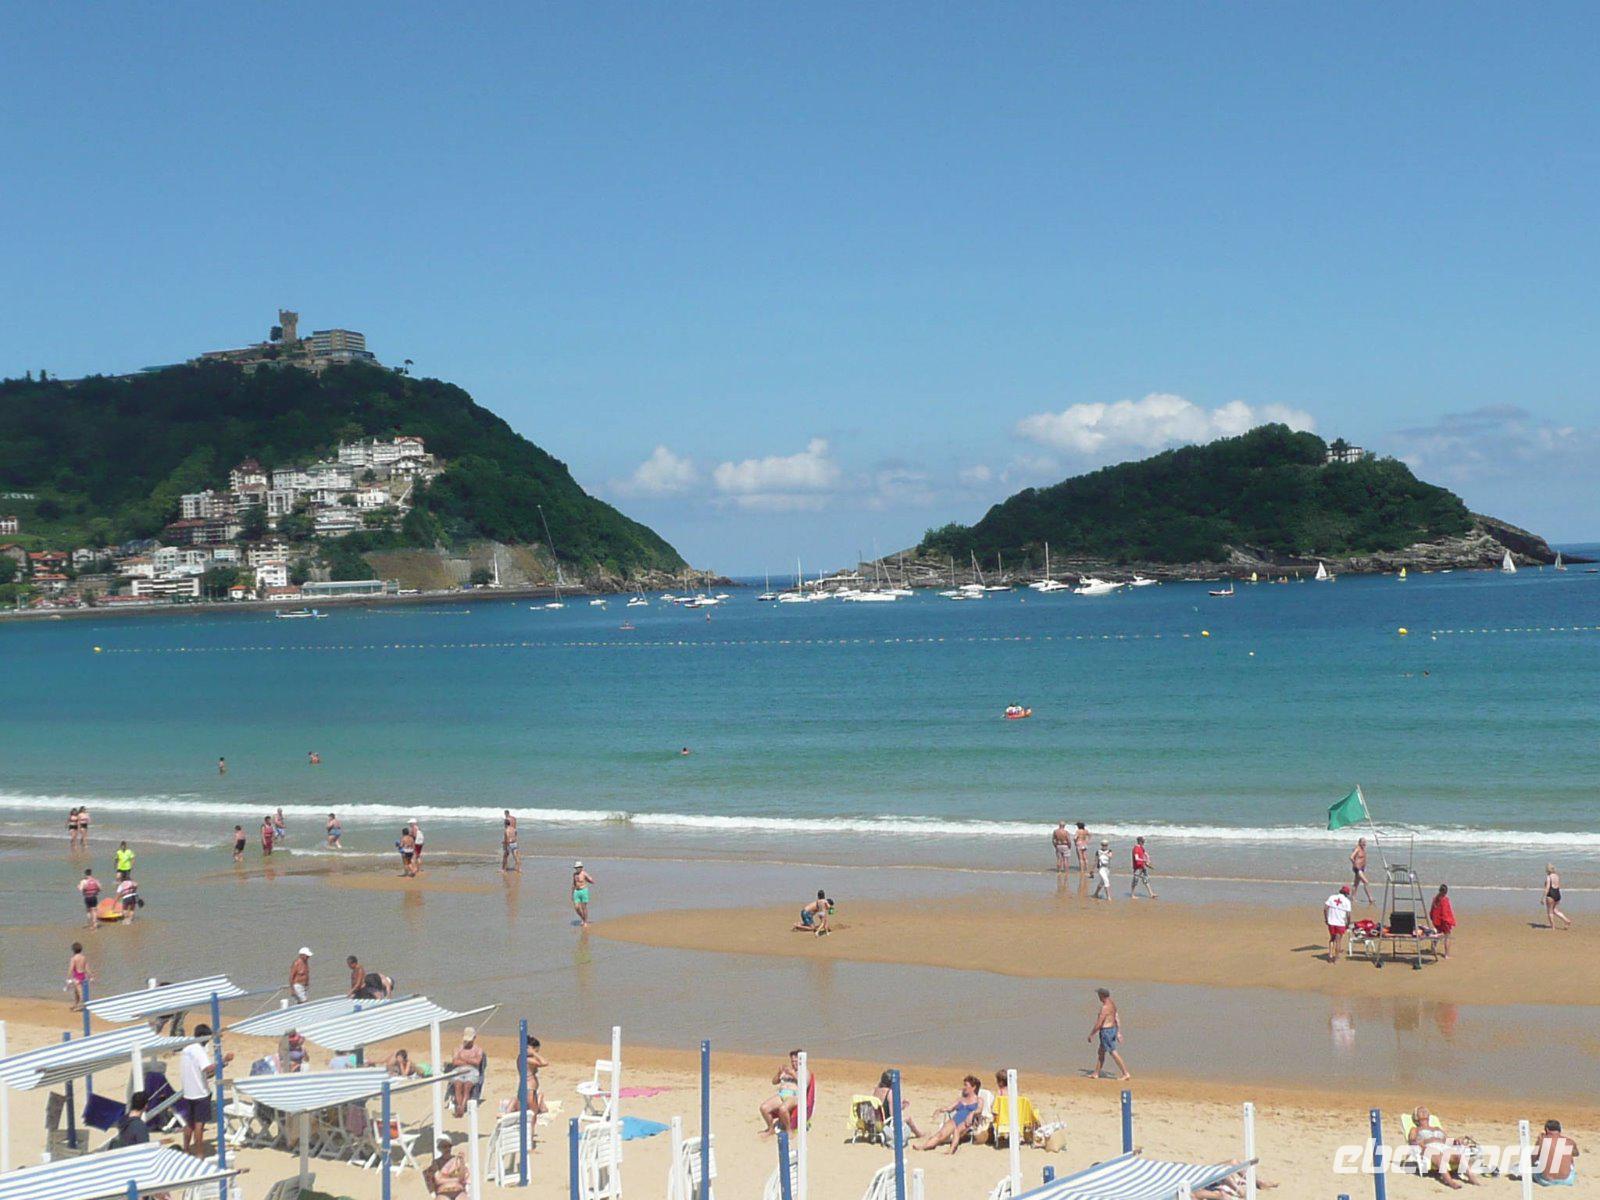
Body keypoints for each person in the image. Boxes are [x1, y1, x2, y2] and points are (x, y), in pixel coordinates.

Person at [178, 1024, 232, 1156]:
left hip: (188, 1093)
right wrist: (224, 1061)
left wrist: (221, 1065)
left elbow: (205, 1073)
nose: (208, 1041)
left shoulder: (186, 1049)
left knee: (188, 1124)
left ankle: (186, 1149)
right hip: (200, 1093)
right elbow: (208, 1069)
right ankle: (199, 1154)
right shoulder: (199, 1051)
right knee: (199, 1125)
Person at [1406, 1105, 1484, 1188]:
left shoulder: (1437, 1128)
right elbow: (1412, 1140)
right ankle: (1450, 1181)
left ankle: (1471, 1176)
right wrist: (1421, 1145)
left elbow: (1447, 1140)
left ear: (1429, 1115)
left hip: (1443, 1146)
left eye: (1425, 1110)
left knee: (1459, 1156)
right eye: (1420, 1111)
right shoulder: (1415, 1129)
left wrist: (1457, 1141)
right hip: (1428, 1147)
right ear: (1416, 1117)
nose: (1424, 1111)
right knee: (1440, 1159)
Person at [914, 1075, 985, 1154]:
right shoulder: (961, 1099)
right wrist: (940, 1110)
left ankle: (951, 1150)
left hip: (967, 1122)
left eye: (966, 1085)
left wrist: (972, 1113)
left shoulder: (979, 1100)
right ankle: (924, 1147)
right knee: (940, 1134)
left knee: (957, 1131)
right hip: (955, 1120)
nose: (964, 1087)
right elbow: (949, 1108)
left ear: (973, 1087)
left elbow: (979, 1110)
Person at [1088, 987, 1131, 1080]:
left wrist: (1092, 1034)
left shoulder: (1105, 1008)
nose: (1098, 997)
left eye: (1099, 995)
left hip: (1106, 1031)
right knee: (1101, 1052)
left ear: (1102, 996)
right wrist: (1118, 1032)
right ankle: (1096, 1073)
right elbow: (1116, 1017)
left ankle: (1125, 1073)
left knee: (1113, 1052)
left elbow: (1099, 1023)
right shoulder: (1112, 1004)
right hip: (1112, 1029)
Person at [758, 1051, 802, 1137]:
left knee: (783, 1109)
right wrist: (779, 1074)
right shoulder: (787, 1071)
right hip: (781, 1094)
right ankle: (771, 1129)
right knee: (764, 1108)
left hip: (793, 1096)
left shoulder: (803, 1072)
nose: (794, 1063)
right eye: (792, 1061)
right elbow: (774, 1082)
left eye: (796, 1061)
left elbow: (804, 1084)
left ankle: (789, 1130)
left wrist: (793, 1074)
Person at [872, 1069, 923, 1138]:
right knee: (908, 1119)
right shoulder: (889, 1093)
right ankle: (919, 1135)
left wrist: (899, 1104)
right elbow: (893, 1114)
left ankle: (919, 1134)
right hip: (885, 1123)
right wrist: (902, 1107)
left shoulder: (877, 1089)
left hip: (876, 1121)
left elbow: (883, 1106)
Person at [1532, 1118, 1580, 1186]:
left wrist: (1538, 1140)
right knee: (1571, 1165)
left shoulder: (1542, 1140)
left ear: (1547, 1129)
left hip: (1546, 1181)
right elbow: (1576, 1154)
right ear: (1560, 1129)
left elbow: (1533, 1159)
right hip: (1567, 1181)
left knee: (1534, 1168)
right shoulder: (1569, 1141)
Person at [449, 1028, 485, 1118]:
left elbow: (477, 1062)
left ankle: (461, 1107)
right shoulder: (458, 1048)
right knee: (458, 1085)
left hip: (472, 1071)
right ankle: (460, 1106)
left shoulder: (478, 1049)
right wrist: (469, 1061)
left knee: (467, 1086)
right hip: (459, 1070)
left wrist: (463, 1059)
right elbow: (455, 1062)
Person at [1325, 885, 1353, 963]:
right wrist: (1348, 923)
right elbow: (1348, 915)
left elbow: (1325, 909)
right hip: (1340, 923)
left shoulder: (1332, 897)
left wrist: (1326, 919)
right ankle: (1336, 958)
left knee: (1332, 939)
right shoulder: (1347, 901)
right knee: (1338, 940)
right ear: (1347, 894)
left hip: (1331, 922)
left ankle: (1330, 955)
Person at [1429, 884, 1456, 959]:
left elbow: (1431, 911)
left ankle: (1433, 949)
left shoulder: (1435, 899)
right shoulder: (1445, 899)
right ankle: (1446, 954)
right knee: (1447, 937)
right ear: (1446, 892)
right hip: (1444, 921)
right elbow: (1446, 912)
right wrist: (1450, 921)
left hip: (1437, 921)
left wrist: (1432, 918)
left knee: (1437, 935)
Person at [1544, 864, 1572, 929]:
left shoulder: (1549, 877)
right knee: (1555, 910)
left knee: (1549, 911)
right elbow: (1558, 886)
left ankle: (1553, 927)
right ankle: (1566, 920)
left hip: (1551, 894)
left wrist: (1543, 897)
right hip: (1557, 894)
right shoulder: (1557, 876)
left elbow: (1547, 888)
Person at [67, 942, 93, 1010]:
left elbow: (71, 968)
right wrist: (91, 976)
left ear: (73, 950)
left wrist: (68, 977)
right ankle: (75, 1005)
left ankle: (82, 1005)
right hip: (82, 976)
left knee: (79, 992)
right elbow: (87, 968)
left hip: (76, 977)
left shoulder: (73, 958)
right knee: (76, 992)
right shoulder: (83, 957)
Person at [1350, 838, 1375, 905]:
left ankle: (1353, 898)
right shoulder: (1357, 849)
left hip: (1361, 868)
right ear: (1359, 842)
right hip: (1358, 869)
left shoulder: (1363, 849)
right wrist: (1355, 864)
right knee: (1366, 882)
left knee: (1356, 884)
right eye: (1363, 842)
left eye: (1365, 842)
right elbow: (1351, 857)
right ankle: (1370, 898)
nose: (1364, 843)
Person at [571, 861, 595, 927]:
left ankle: (585, 921)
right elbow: (573, 883)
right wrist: (572, 893)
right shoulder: (574, 874)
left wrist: (589, 880)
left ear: (581, 868)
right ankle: (583, 918)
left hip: (584, 891)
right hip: (576, 891)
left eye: (579, 867)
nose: (577, 869)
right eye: (576, 867)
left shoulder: (584, 874)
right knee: (576, 907)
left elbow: (592, 881)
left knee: (584, 907)